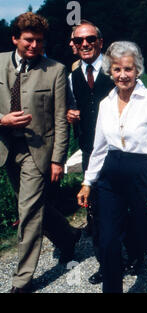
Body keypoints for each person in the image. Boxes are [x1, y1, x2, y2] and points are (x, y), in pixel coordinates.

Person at [76, 41, 147, 293]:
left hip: (142, 170)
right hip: (111, 172)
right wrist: (88, 182)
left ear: (138, 70)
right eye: (117, 69)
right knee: (108, 238)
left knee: (146, 235)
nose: (123, 75)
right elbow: (99, 148)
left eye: (128, 69)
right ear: (110, 72)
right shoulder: (105, 104)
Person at [0, 12, 81, 293]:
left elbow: (61, 118)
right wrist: (3, 120)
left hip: (39, 152)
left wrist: (58, 158)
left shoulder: (55, 70)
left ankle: (21, 281)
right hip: (7, 150)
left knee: (29, 211)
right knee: (34, 207)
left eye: (39, 41)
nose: (34, 46)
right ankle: (69, 237)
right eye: (29, 40)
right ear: (15, 39)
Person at [66, 19, 115, 285]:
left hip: (120, 152)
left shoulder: (116, 69)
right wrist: (69, 114)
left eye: (90, 39)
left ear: (100, 42)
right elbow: (69, 108)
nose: (85, 44)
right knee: (94, 209)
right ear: (73, 45)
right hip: (89, 152)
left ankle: (135, 254)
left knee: (126, 206)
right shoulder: (72, 77)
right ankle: (105, 264)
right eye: (79, 41)